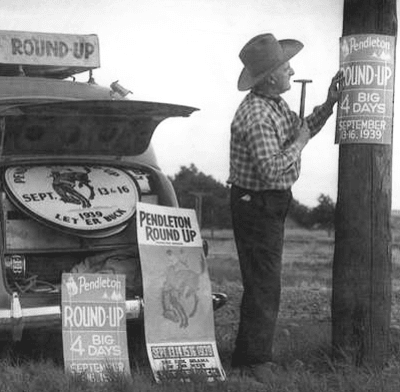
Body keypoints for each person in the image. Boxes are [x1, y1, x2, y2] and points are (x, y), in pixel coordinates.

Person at [228, 33, 343, 383]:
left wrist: (329, 102)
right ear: (270, 77)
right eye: (285, 67)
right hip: (257, 203)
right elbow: (273, 169)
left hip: (267, 202)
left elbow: (302, 130)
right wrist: (301, 143)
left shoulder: (274, 105)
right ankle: (256, 363)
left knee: (263, 282)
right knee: (264, 283)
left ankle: (247, 359)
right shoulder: (257, 115)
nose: (291, 70)